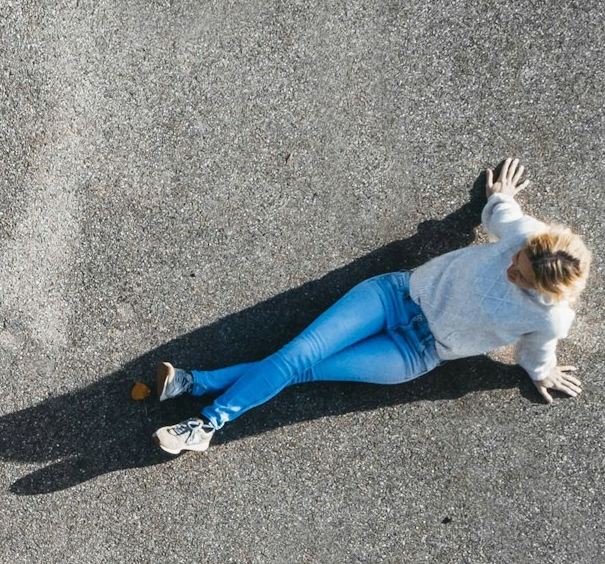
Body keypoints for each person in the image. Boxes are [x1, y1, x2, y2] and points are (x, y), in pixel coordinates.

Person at [151, 158, 590, 454]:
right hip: (393, 296)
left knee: (305, 369)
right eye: (516, 261)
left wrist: (541, 373)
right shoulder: (525, 238)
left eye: (522, 277)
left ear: (549, 292)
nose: (511, 269)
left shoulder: (550, 317)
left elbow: (536, 352)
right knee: (297, 355)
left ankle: (192, 384)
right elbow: (499, 214)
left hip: (416, 353)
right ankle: (207, 424)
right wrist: (501, 196)